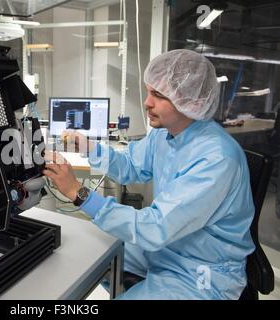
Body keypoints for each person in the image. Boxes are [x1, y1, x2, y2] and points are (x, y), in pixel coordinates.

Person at [43, 49, 255, 300]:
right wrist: (88, 147)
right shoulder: (166, 133)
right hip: (166, 247)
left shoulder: (216, 158)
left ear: (191, 102)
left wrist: (79, 193)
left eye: (159, 95)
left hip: (200, 271)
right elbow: (131, 165)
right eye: (149, 91)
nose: (147, 103)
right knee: (82, 254)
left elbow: (154, 228)